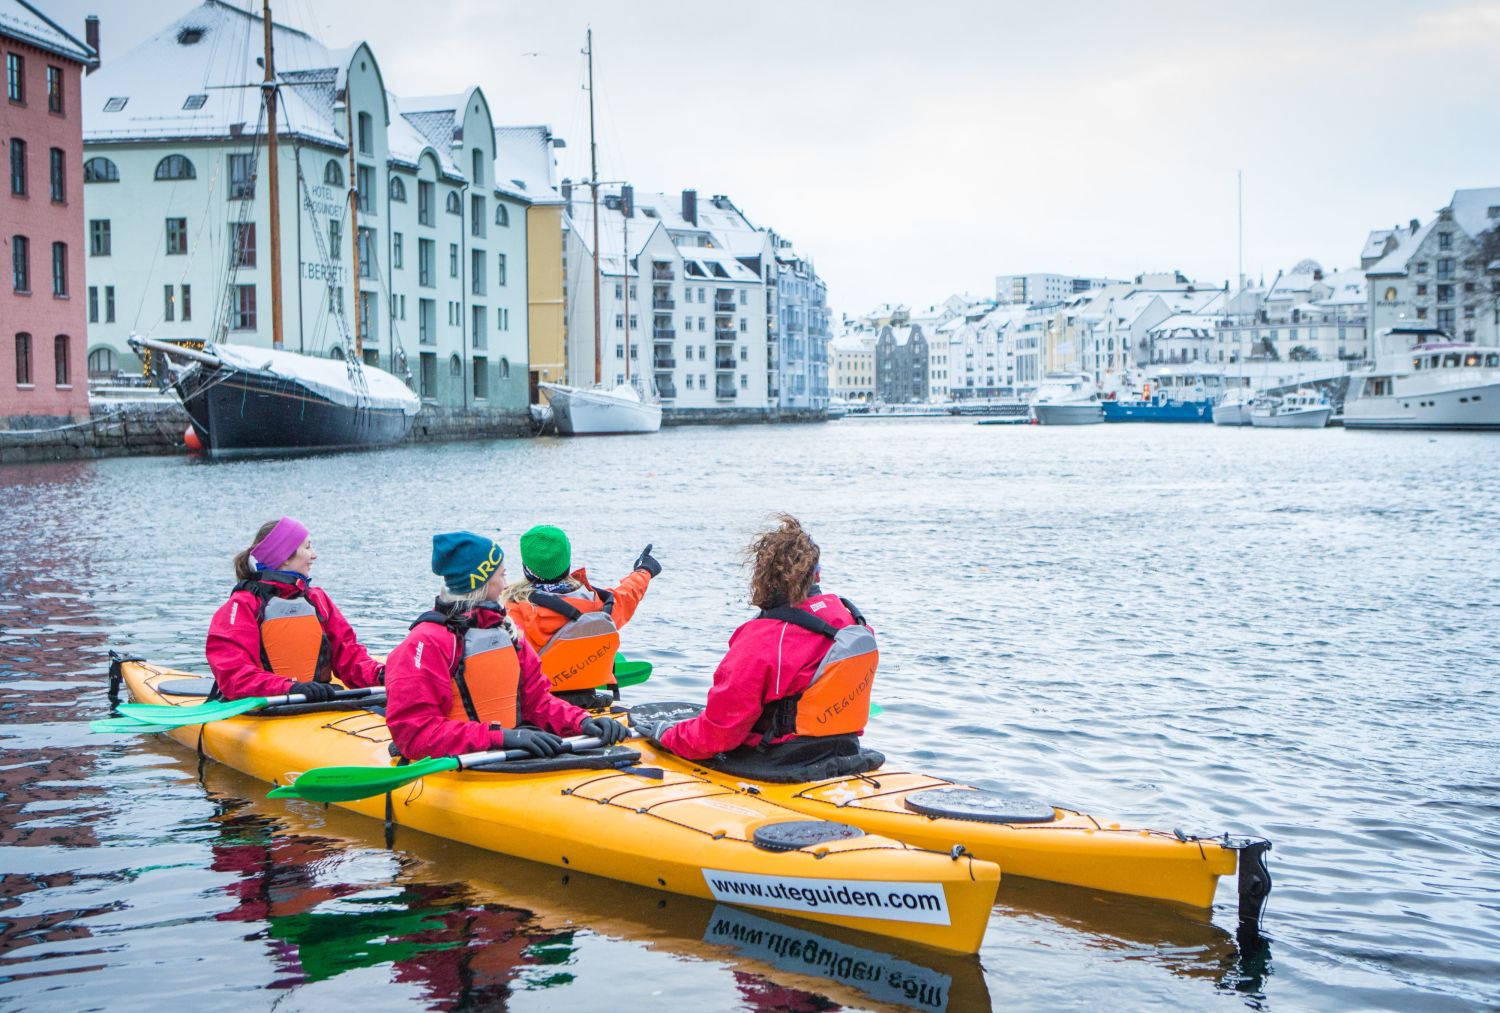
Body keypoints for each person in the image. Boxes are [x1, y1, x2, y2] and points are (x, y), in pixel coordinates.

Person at [647, 514, 882, 782]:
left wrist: (666, 735)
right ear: (817, 574)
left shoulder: (764, 638)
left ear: (763, 576)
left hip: (780, 763)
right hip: (845, 752)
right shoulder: (852, 620)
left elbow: (718, 734)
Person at [383, 531, 628, 760]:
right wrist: (501, 737)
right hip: (464, 763)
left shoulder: (506, 631)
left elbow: (537, 701)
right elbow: (414, 734)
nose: (505, 584)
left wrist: (581, 721)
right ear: (482, 582)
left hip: (506, 757)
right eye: (501, 575)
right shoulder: (425, 643)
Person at [206, 517, 384, 703]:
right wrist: (291, 688)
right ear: (284, 557)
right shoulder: (242, 605)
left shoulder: (317, 599)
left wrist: (381, 675)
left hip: (317, 702)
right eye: (307, 547)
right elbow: (235, 676)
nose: (313, 555)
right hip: (264, 708)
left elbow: (350, 658)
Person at [501, 525, 660, 707]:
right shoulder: (600, 605)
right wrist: (644, 570)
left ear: (526, 567)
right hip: (587, 700)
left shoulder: (511, 613)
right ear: (566, 562)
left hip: (537, 705)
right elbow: (627, 594)